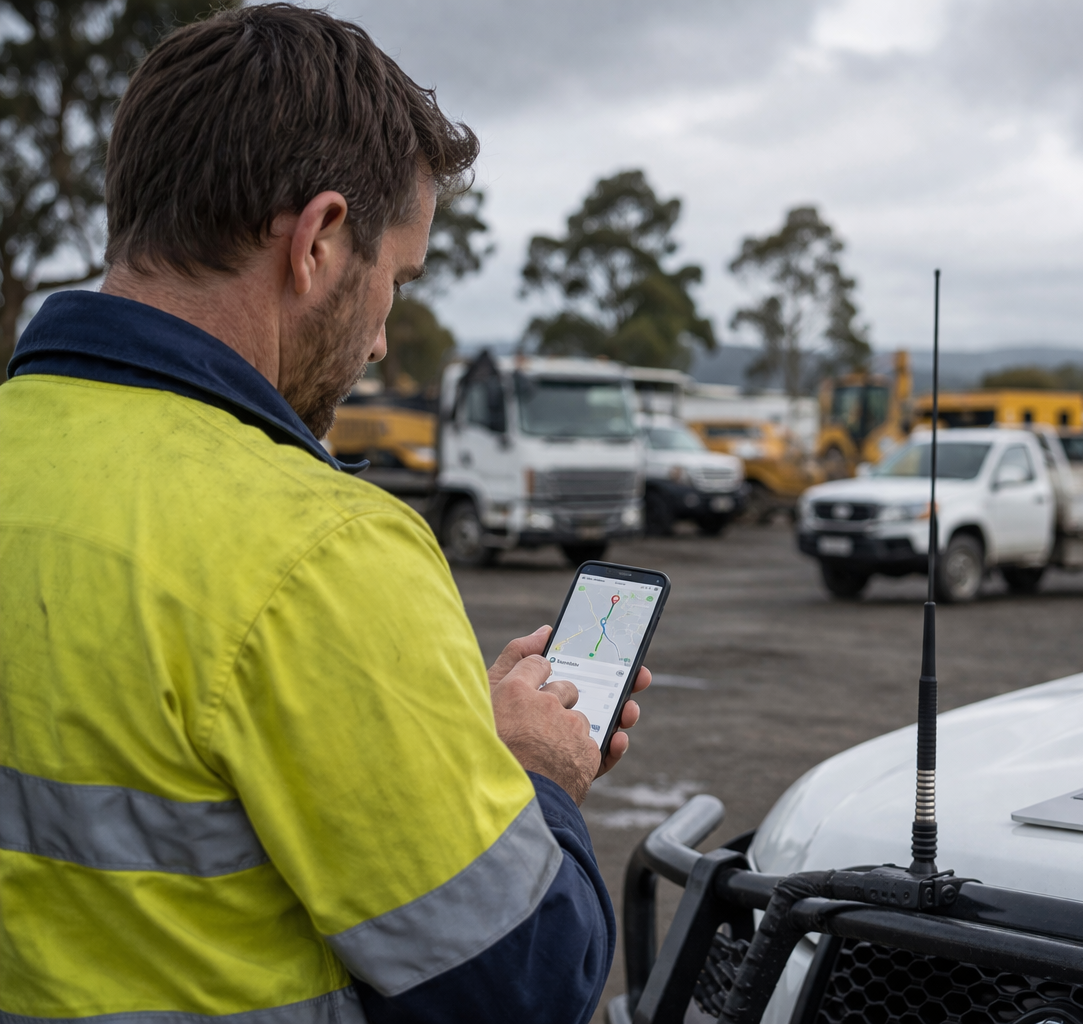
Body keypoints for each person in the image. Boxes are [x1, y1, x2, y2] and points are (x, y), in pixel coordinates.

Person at [0, 6, 644, 1023]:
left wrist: (432, 736)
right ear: (319, 241)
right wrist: (533, 776)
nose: (381, 340)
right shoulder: (322, 550)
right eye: (395, 280)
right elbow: (525, 983)